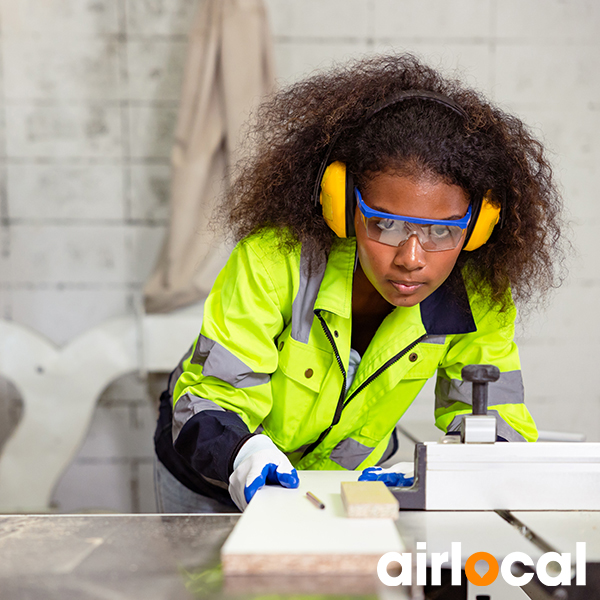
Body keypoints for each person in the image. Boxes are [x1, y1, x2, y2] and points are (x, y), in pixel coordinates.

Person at [153, 54, 566, 513]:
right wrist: (242, 454)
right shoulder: (274, 263)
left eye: (443, 231)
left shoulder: (479, 298)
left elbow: (496, 421)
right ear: (342, 205)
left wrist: (448, 467)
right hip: (210, 475)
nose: (411, 259)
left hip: (343, 485)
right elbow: (211, 398)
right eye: (386, 225)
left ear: (480, 227)